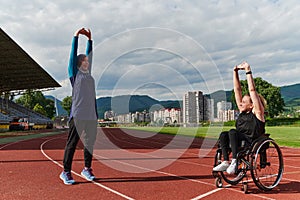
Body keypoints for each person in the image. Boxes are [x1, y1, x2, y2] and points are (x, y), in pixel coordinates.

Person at [60, 28, 98, 185]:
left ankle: (87, 169)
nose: (87, 62)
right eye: (84, 61)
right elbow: (72, 55)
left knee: (89, 143)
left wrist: (90, 40)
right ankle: (66, 172)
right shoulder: (74, 74)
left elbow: (91, 55)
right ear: (78, 64)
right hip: (77, 114)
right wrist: (76, 36)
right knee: (72, 144)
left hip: (91, 115)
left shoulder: (89, 76)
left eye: (88, 61)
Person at [213, 61, 266, 174]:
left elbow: (252, 90)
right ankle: (226, 161)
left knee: (232, 132)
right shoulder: (242, 111)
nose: (240, 104)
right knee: (223, 134)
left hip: (251, 141)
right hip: (239, 139)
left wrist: (248, 70)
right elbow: (237, 90)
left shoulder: (258, 113)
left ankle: (235, 161)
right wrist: (235, 72)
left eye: (243, 102)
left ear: (252, 105)